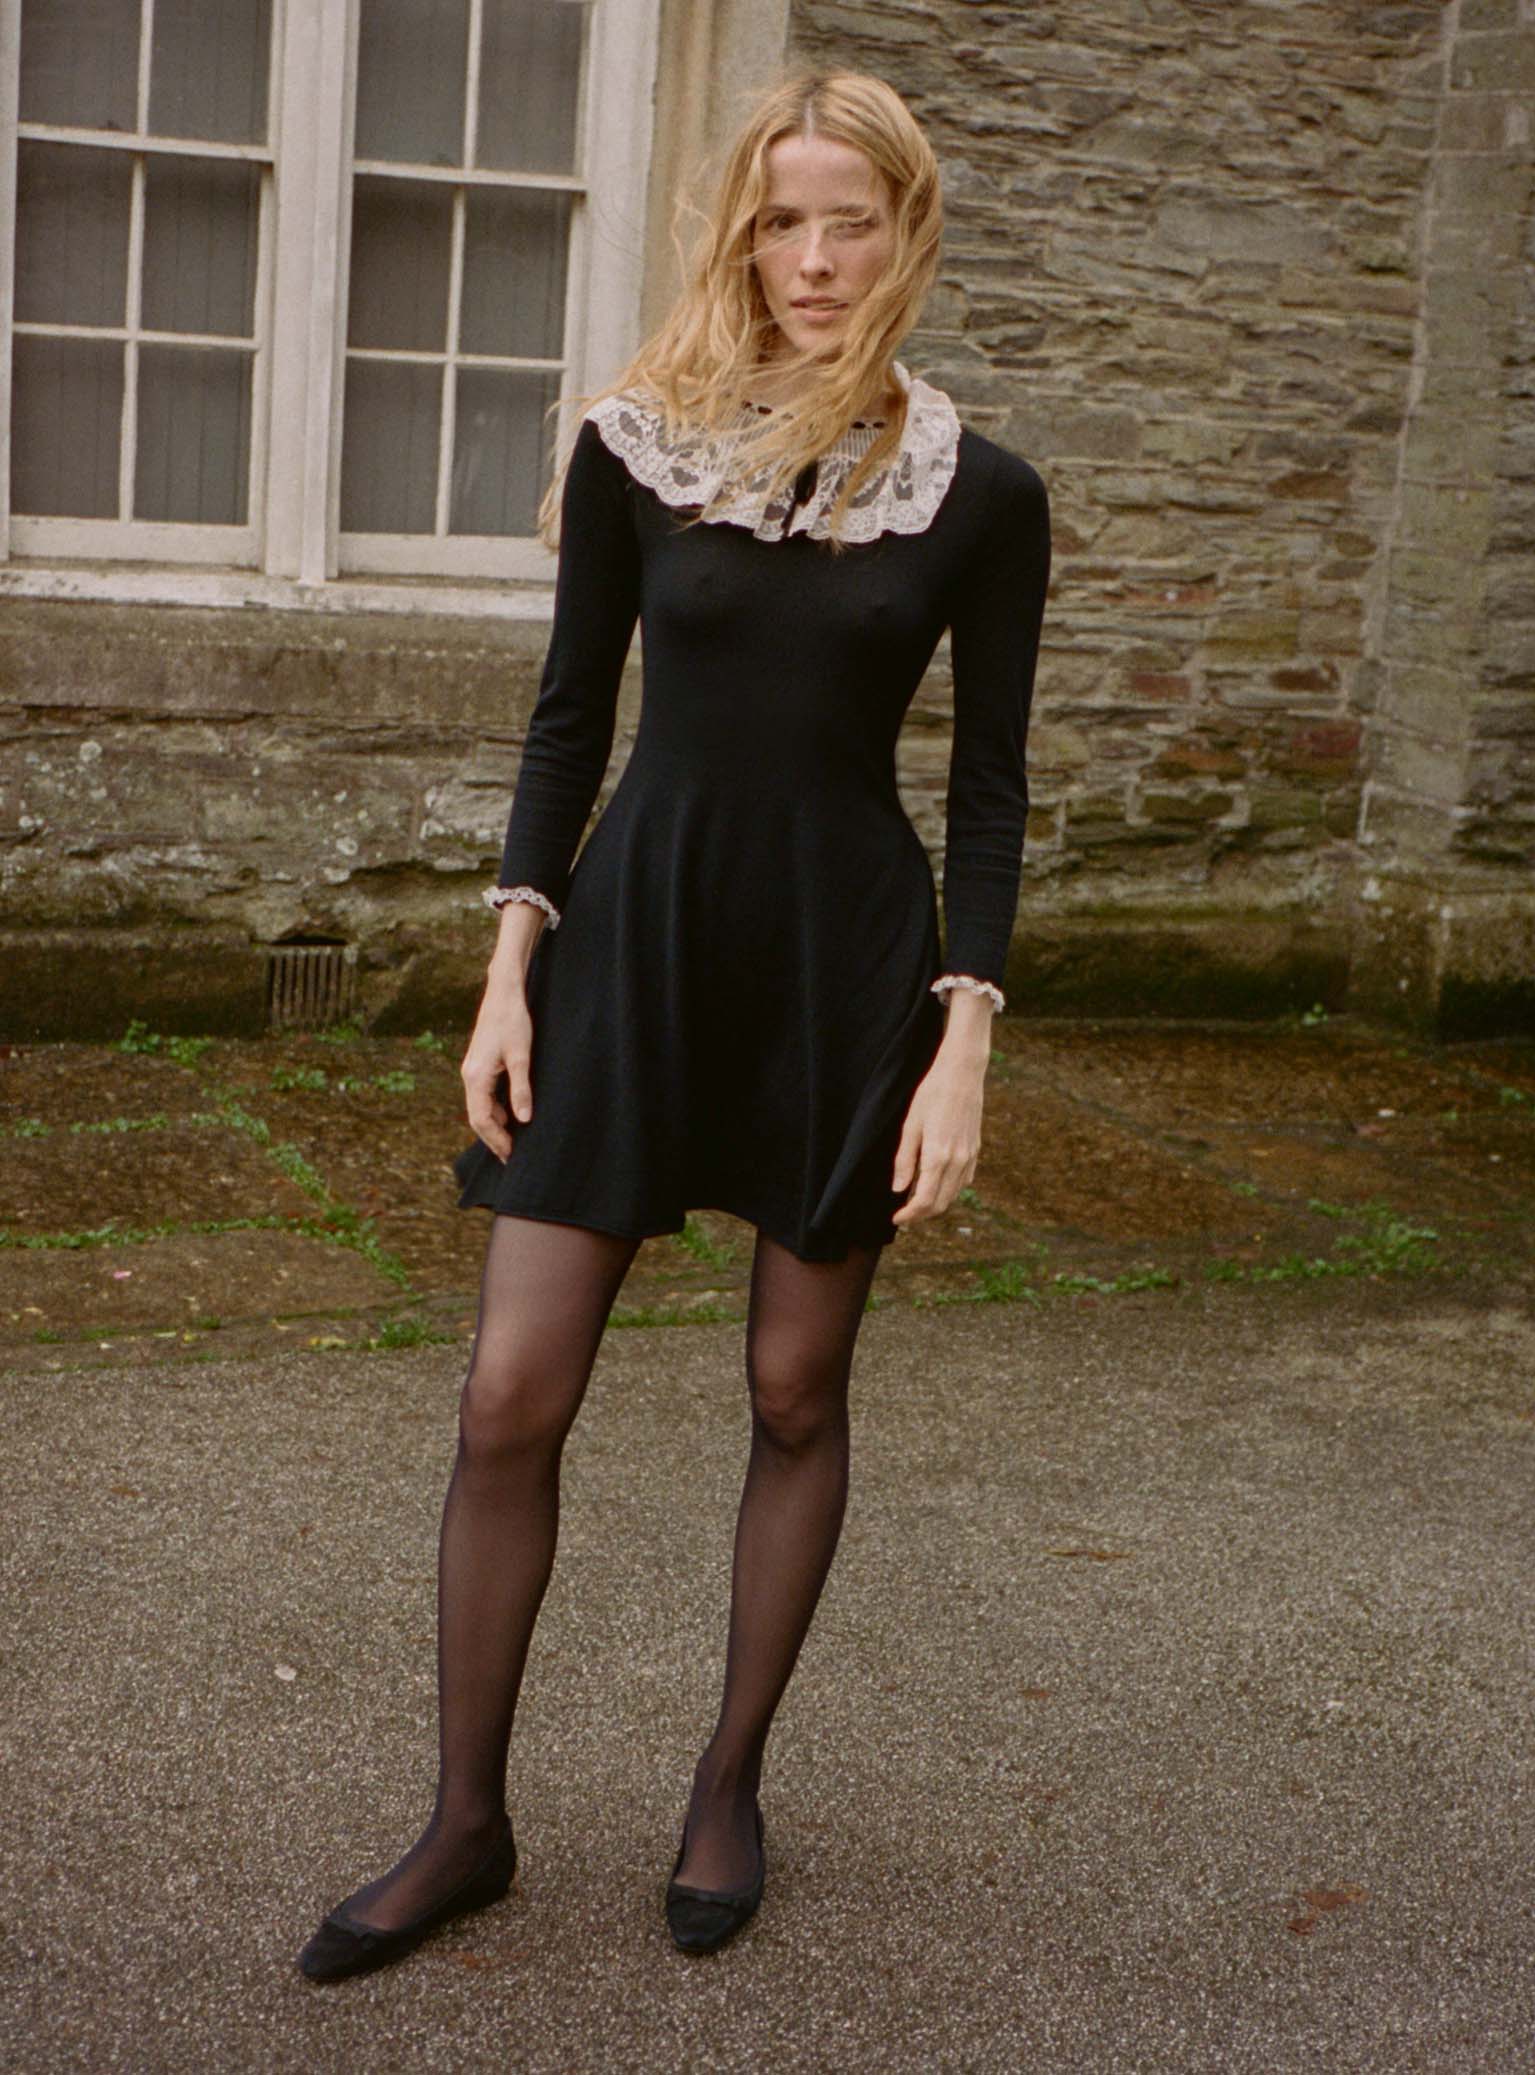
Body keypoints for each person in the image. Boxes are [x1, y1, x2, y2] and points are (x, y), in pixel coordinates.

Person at [297, 65, 1050, 1980]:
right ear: (744, 232)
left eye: (849, 220)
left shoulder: (980, 493)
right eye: (782, 219)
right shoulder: (642, 450)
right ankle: (466, 1823)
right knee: (506, 1395)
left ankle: (730, 1784)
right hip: (633, 940)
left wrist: (966, 1038)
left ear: (907, 231)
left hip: (843, 969)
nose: (812, 257)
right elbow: (569, 720)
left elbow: (987, 790)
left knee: (796, 1392)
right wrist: (506, 963)